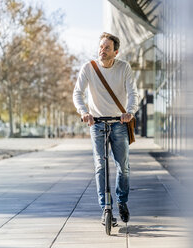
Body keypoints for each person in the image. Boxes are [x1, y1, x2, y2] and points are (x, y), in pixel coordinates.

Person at [73, 32, 139, 225]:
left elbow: (133, 92)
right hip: (97, 123)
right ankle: (105, 208)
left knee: (123, 167)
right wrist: (84, 112)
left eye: (107, 48)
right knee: (100, 166)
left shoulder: (124, 68)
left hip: (119, 122)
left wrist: (130, 112)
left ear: (115, 52)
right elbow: (77, 93)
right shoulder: (89, 68)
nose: (102, 50)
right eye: (101, 47)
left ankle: (122, 201)